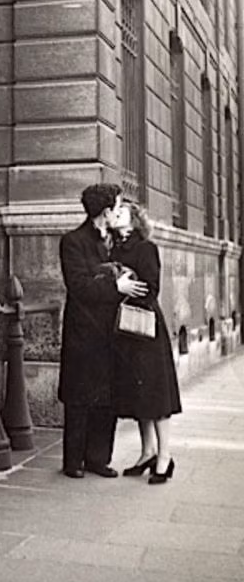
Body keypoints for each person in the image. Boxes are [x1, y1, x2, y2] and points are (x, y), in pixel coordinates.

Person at [58, 183, 148, 479]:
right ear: (106, 211)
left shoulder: (115, 240)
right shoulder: (72, 241)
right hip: (83, 332)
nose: (120, 211)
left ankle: (98, 459)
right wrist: (115, 285)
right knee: (79, 397)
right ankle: (74, 461)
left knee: (106, 397)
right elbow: (78, 286)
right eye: (117, 206)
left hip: (111, 331)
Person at [110, 202, 182, 484]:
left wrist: (125, 284)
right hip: (125, 331)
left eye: (121, 212)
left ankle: (164, 457)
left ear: (134, 220)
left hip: (146, 328)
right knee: (138, 394)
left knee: (156, 393)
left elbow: (151, 288)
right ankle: (147, 452)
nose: (115, 214)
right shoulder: (113, 247)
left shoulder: (146, 247)